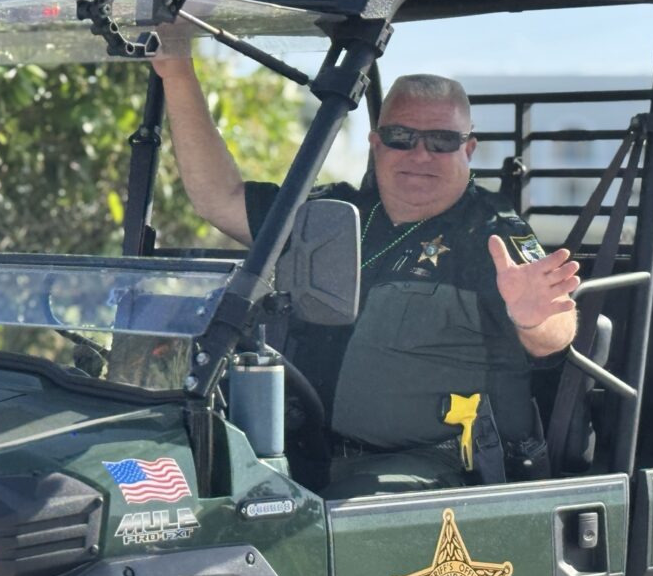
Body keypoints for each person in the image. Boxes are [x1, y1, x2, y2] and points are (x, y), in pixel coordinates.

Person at [152, 52, 579, 497]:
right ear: (376, 143)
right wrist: (176, 69)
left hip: (433, 472)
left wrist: (533, 317)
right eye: (401, 137)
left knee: (315, 525)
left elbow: (556, 328)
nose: (420, 154)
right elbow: (219, 199)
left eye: (441, 141)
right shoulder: (334, 213)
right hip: (302, 451)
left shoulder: (490, 231)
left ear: (468, 149)